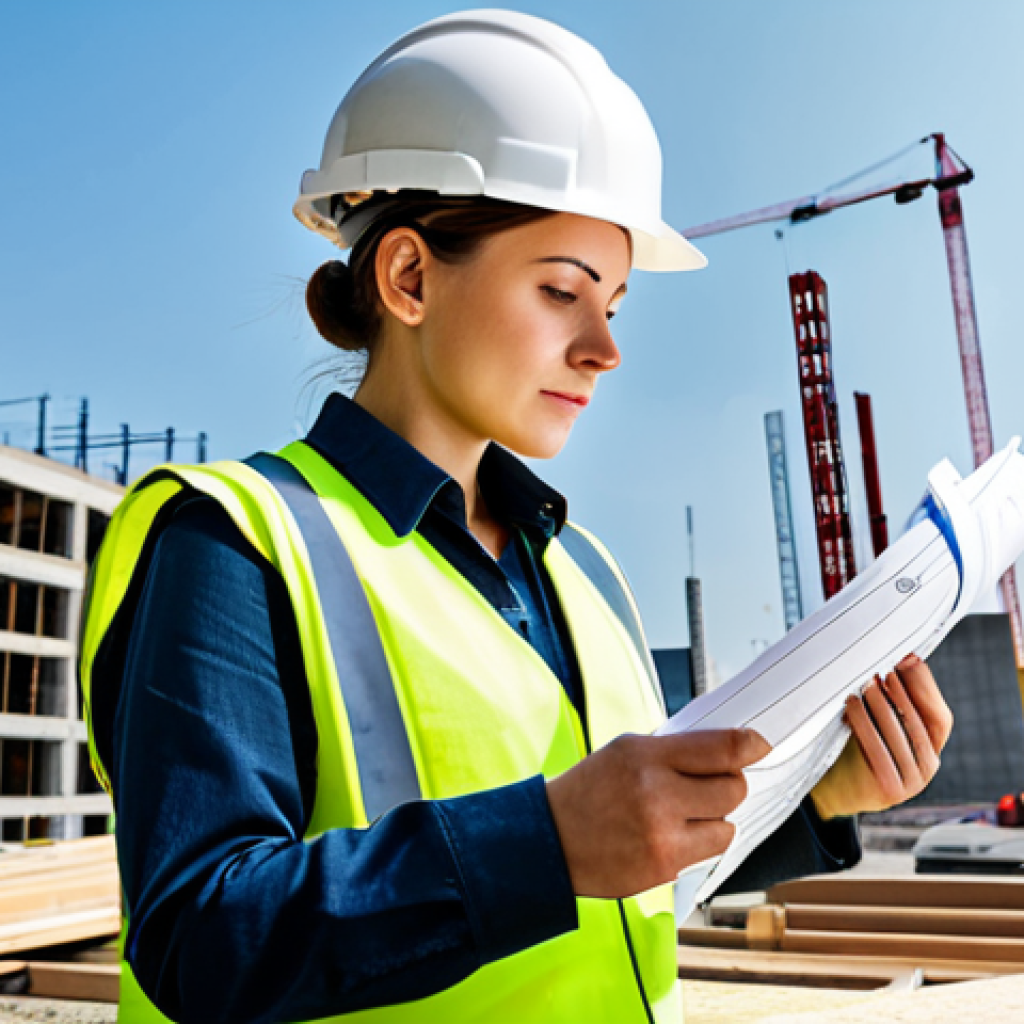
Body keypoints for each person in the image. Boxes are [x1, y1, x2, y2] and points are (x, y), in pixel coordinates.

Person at [80, 10, 953, 1024]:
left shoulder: (585, 574)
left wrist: (818, 799)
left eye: (614, 305)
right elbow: (200, 937)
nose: (603, 349)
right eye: (560, 292)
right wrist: (544, 843)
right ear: (408, 277)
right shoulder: (232, 544)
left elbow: (625, 888)